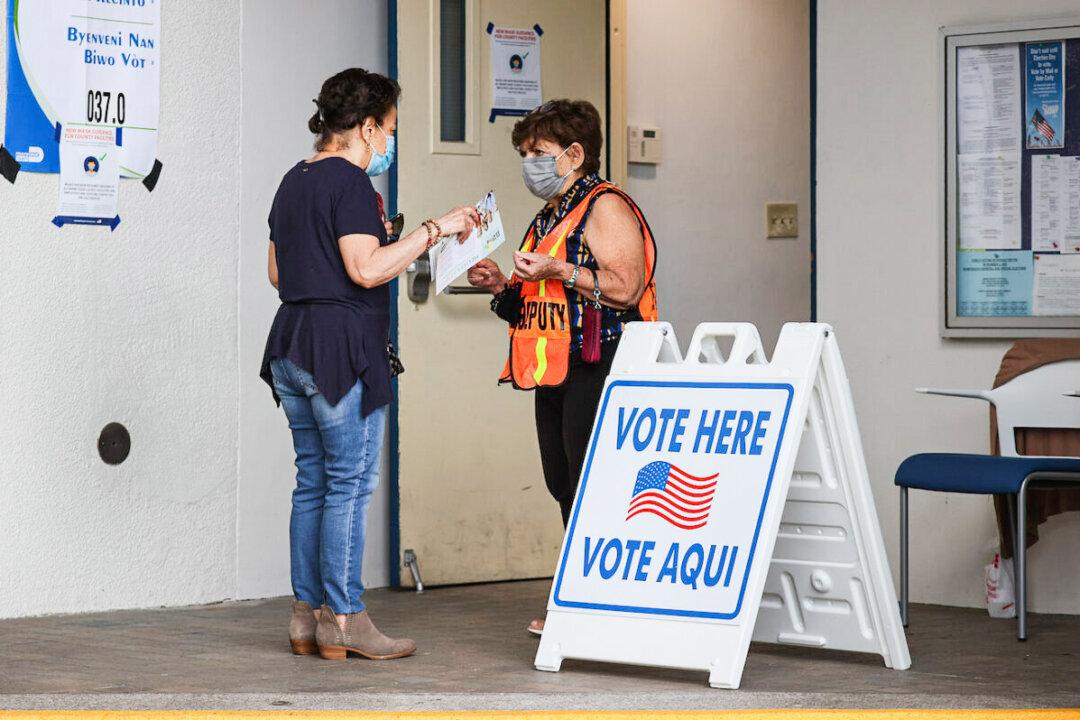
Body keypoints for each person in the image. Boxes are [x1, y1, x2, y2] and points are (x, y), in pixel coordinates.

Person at [261, 68, 479, 661]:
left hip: (291, 343)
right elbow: (365, 269)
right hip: (340, 351)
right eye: (389, 128)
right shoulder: (351, 183)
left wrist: (375, 246)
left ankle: (306, 618)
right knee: (350, 485)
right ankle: (346, 618)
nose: (389, 140)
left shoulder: (291, 181)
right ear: (364, 126)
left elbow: (279, 274)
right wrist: (437, 229)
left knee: (313, 481)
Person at [467, 99, 658, 636]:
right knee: (564, 483)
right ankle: (583, 593)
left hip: (601, 364)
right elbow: (532, 303)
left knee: (595, 482)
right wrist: (501, 285)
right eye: (525, 152)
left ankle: (586, 599)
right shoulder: (551, 212)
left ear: (575, 153)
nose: (529, 162)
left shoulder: (605, 206)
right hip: (554, 370)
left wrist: (560, 268)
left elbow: (625, 288)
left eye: (538, 152)